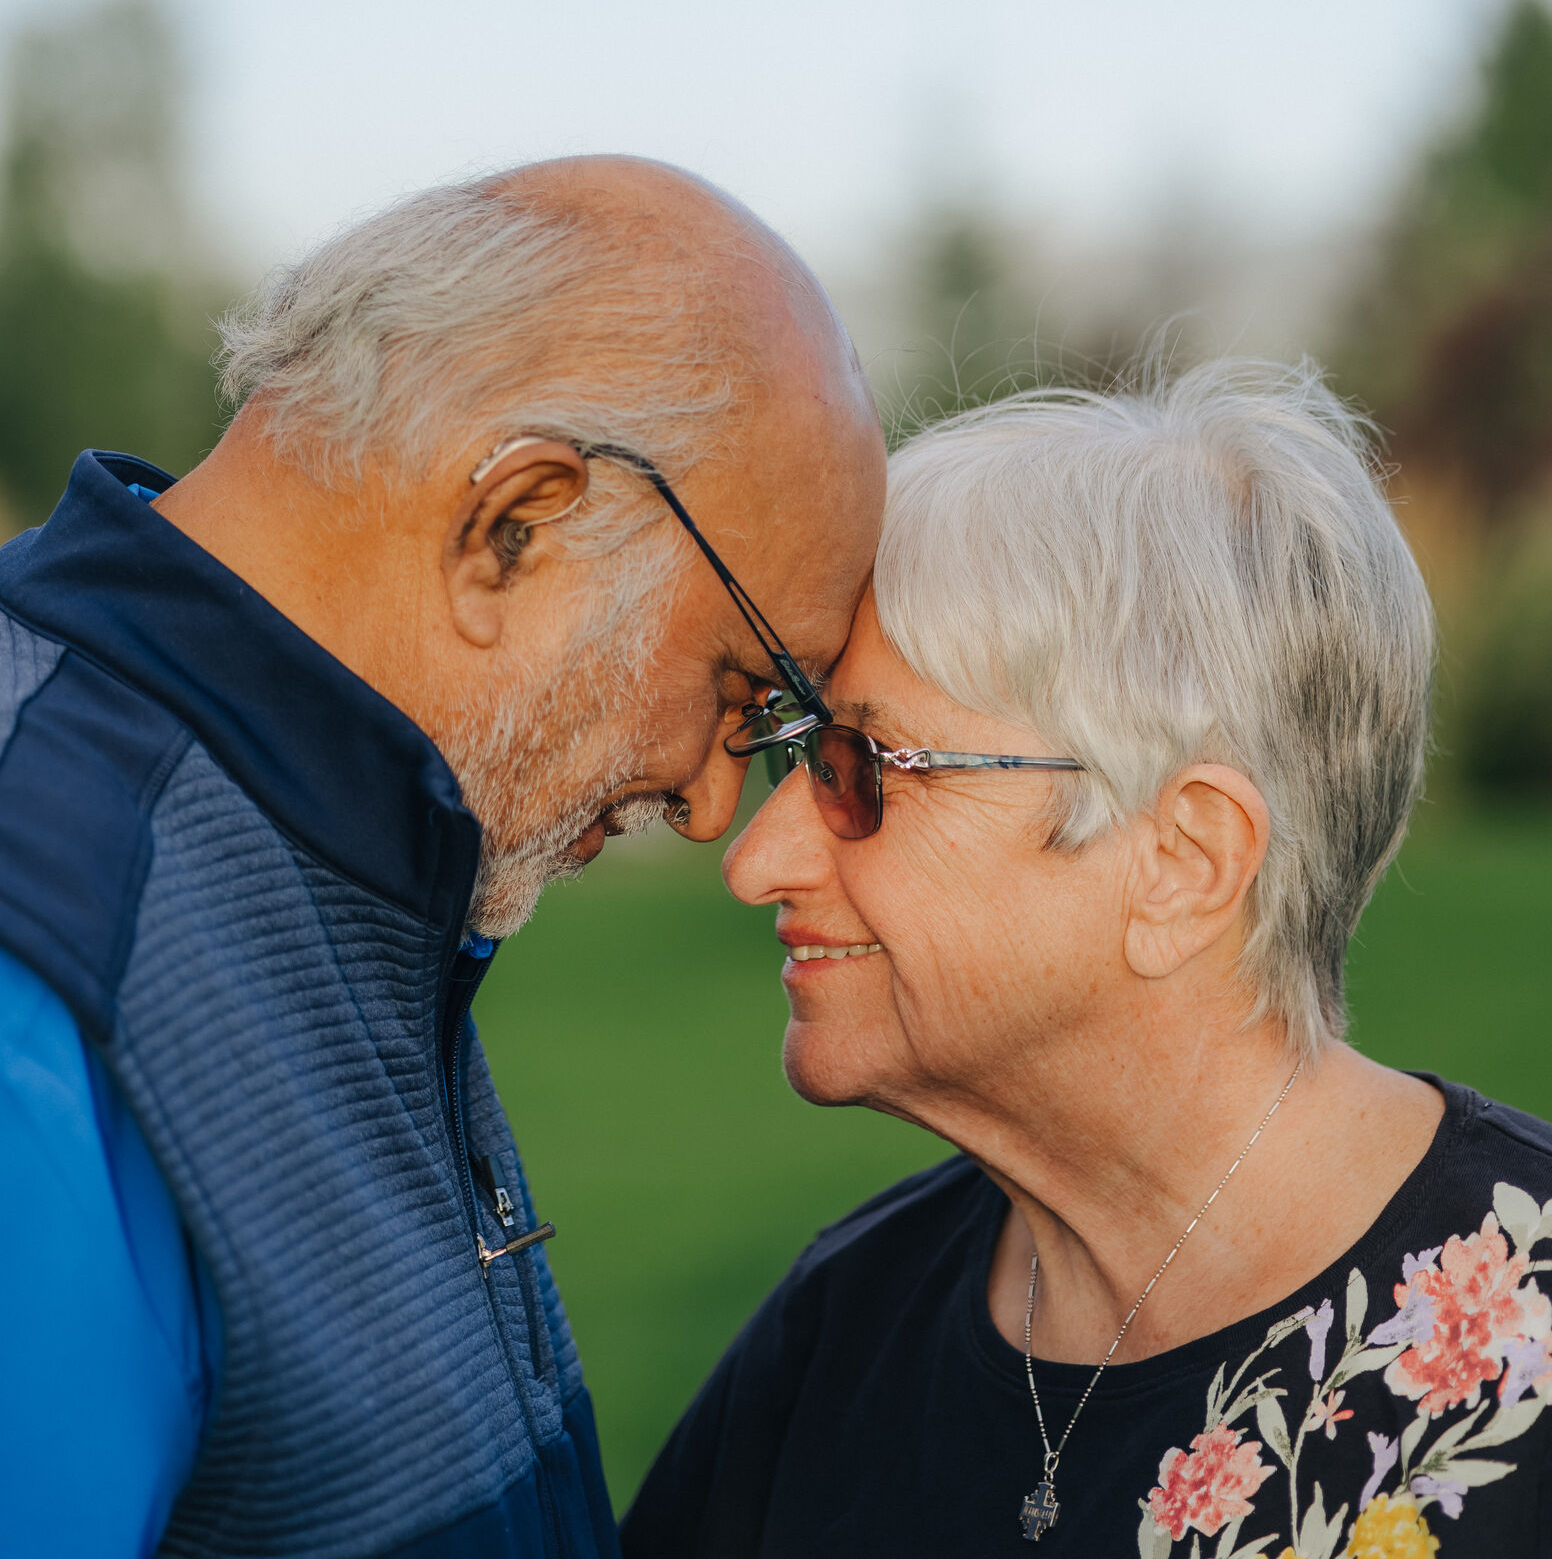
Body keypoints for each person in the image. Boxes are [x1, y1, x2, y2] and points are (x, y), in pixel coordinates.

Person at [0, 157, 884, 1559]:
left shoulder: (328, 837)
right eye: (743, 690)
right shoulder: (16, 961)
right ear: (516, 522)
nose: (710, 808)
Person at [624, 362, 1552, 1558]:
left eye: (863, 768)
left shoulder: (1526, 1339)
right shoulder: (843, 1331)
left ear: (1182, 858)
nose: (756, 862)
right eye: (795, 756)